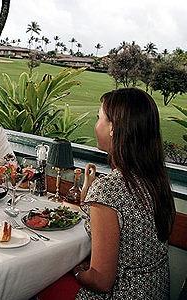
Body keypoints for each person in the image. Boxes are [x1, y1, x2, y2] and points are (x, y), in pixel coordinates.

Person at [38, 88, 175, 299]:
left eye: (99, 118)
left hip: (121, 294)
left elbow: (101, 282)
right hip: (155, 290)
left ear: (114, 128)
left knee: (42, 284)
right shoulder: (155, 180)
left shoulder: (109, 188)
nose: (96, 125)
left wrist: (74, 269)